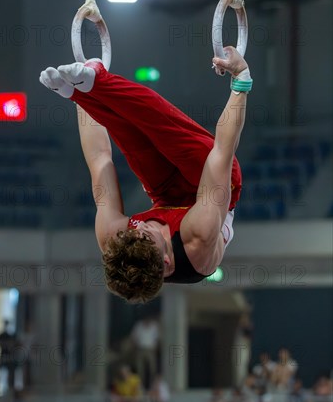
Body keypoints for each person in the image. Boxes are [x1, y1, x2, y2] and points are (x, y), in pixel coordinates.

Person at [39, 46, 252, 303]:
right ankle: (100, 80)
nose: (144, 225)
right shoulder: (198, 239)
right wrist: (241, 79)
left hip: (164, 193)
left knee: (130, 135)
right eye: (149, 232)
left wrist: (80, 98)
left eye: (135, 229)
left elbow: (99, 159)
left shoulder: (115, 239)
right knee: (160, 125)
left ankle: (83, 88)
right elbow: (222, 151)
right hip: (214, 188)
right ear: (166, 260)